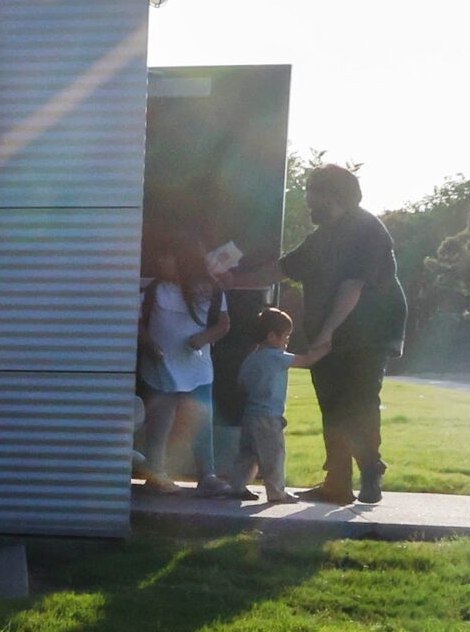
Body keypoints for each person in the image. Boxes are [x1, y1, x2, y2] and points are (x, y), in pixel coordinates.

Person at [225, 164, 406, 504]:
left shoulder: (368, 231)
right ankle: (337, 483)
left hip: (369, 332)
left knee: (360, 400)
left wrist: (327, 333)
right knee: (332, 404)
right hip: (329, 330)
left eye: (313, 193)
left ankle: (370, 474)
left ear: (334, 196)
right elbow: (280, 269)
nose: (308, 200)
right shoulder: (320, 238)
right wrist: (232, 281)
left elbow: (352, 287)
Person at [136, 230, 239, 497]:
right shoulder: (155, 290)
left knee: (200, 420)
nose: (160, 262)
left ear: (184, 260)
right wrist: (148, 343)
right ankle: (155, 471)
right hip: (160, 367)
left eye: (166, 257)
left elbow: (224, 324)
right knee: (160, 420)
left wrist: (204, 337)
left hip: (197, 368)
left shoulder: (210, 291)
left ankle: (208, 475)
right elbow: (140, 324)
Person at [231, 308, 298, 504]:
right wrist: (324, 348)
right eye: (286, 336)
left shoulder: (251, 359)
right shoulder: (277, 356)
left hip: (250, 414)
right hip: (269, 416)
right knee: (274, 454)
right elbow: (306, 360)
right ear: (271, 336)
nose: (287, 341)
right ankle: (277, 492)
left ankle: (237, 487)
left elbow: (241, 383)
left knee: (248, 454)